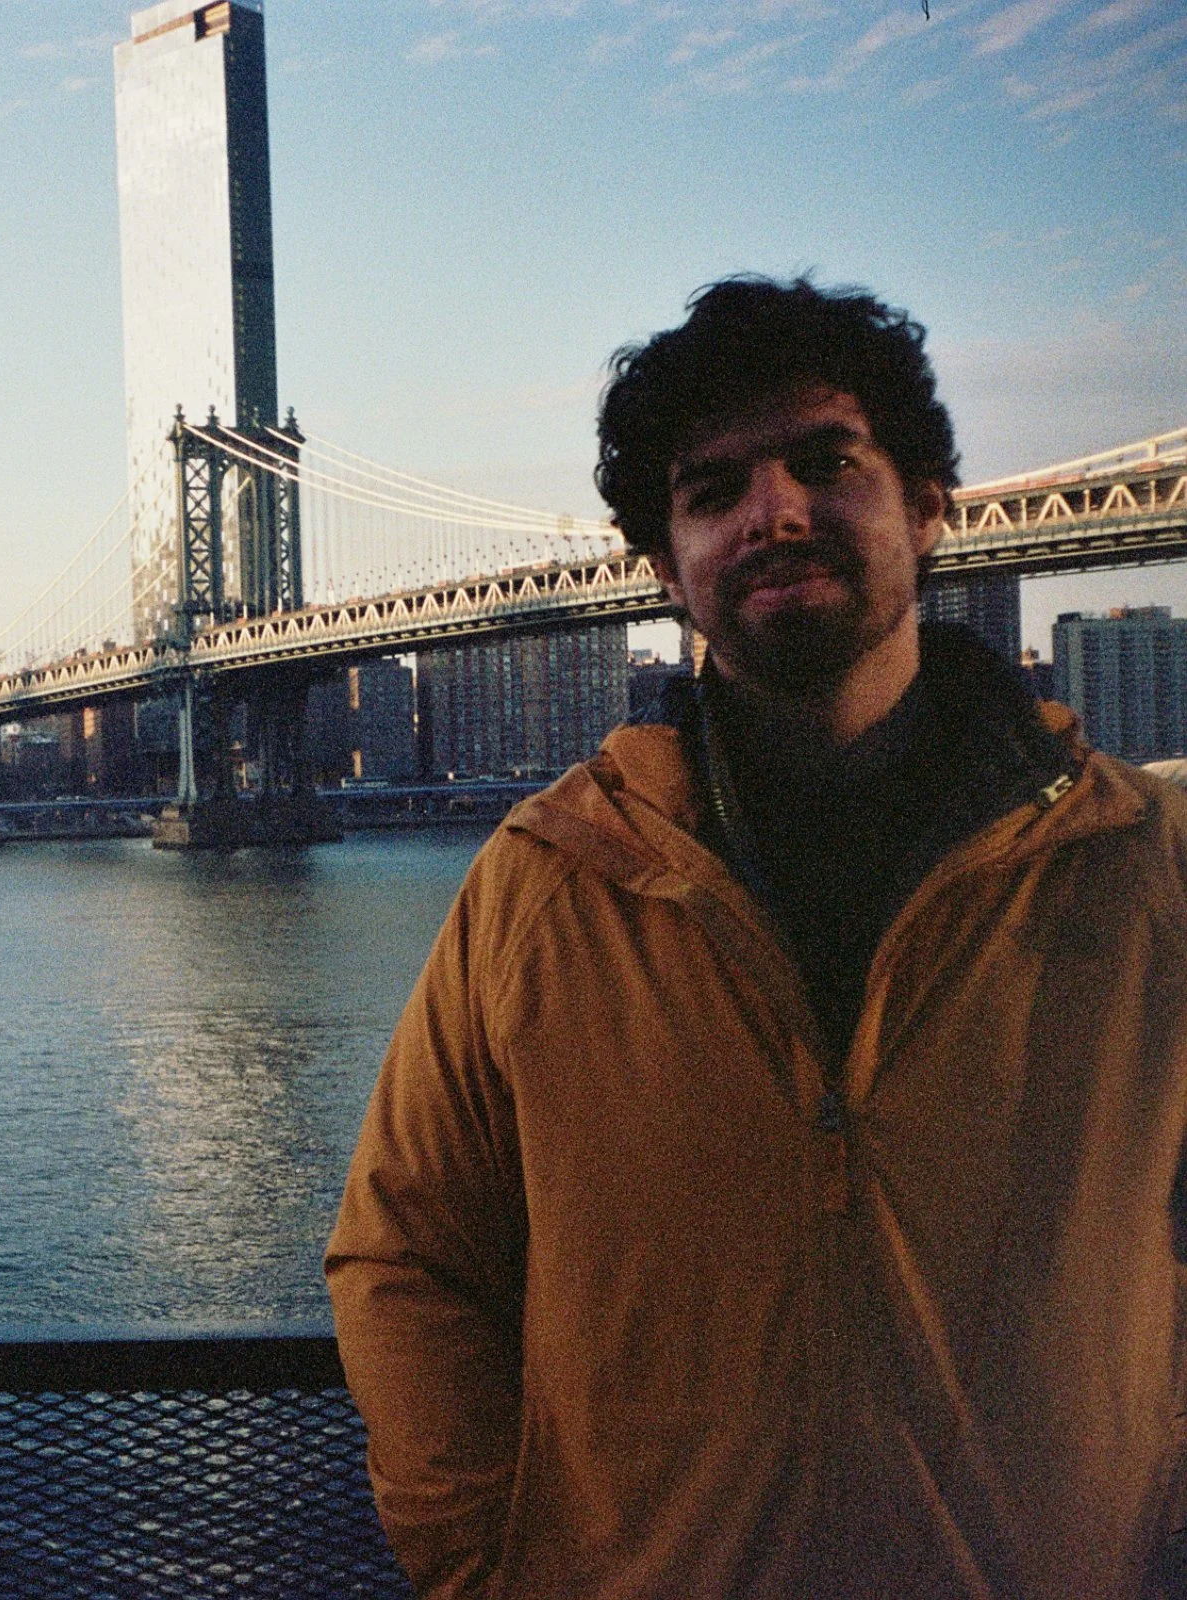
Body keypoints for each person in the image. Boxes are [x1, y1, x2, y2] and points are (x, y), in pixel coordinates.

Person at [325, 275, 1187, 1599]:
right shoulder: (544, 888)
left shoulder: (1146, 871)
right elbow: (405, 1257)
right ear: (669, 569)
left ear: (929, 509)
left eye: (828, 462)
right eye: (714, 490)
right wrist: (493, 1574)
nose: (774, 511)